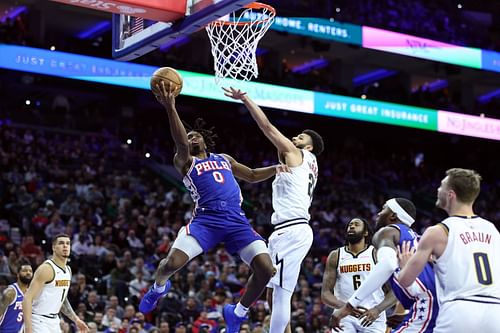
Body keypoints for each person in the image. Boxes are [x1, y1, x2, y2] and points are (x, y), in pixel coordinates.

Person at [139, 82, 282, 333]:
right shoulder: (184, 161)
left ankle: (237, 313)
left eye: (196, 135)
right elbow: (181, 142)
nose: (192, 138)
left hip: (236, 221)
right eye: (189, 135)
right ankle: (158, 288)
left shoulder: (224, 159)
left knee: (266, 269)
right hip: (206, 221)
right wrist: (171, 107)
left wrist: (275, 169)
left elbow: (249, 174)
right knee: (170, 264)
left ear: (205, 139)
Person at [223, 87, 324, 333]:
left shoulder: (297, 154)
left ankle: (241, 315)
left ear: (308, 148)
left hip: (290, 230)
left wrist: (245, 99)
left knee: (279, 294)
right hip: (295, 229)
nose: (294, 138)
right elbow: (254, 175)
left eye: (300, 137)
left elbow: (267, 127)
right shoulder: (308, 165)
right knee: (275, 292)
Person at [397, 168, 500, 332]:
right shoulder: (493, 230)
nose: (438, 190)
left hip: (460, 310)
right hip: (495, 312)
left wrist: (404, 266)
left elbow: (405, 281)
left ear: (450, 194)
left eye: (441, 186)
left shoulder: (438, 232)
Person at [330, 198, 438, 333]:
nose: (379, 214)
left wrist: (349, 306)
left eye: (383, 209)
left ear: (393, 215)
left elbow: (387, 264)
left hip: (425, 303)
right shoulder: (417, 238)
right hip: (434, 302)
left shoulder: (386, 232)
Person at [321, 218, 397, 333]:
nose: (351, 226)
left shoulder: (376, 253)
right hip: (344, 316)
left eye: (356, 224)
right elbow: (325, 294)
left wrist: (377, 310)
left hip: (372, 315)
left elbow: (395, 291)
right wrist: (346, 307)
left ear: (366, 232)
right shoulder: (336, 255)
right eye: (350, 225)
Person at [22, 234, 89, 333]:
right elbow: (27, 298)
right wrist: (28, 327)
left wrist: (76, 319)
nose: (65, 246)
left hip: (54, 321)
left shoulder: (68, 270)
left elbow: (61, 299)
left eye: (68, 243)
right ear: (54, 247)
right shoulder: (46, 269)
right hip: (38, 320)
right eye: (61, 243)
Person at [0, 262, 33, 333]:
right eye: (24, 271)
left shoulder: (30, 294)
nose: (28, 273)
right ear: (18, 274)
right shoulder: (10, 292)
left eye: (30, 271)